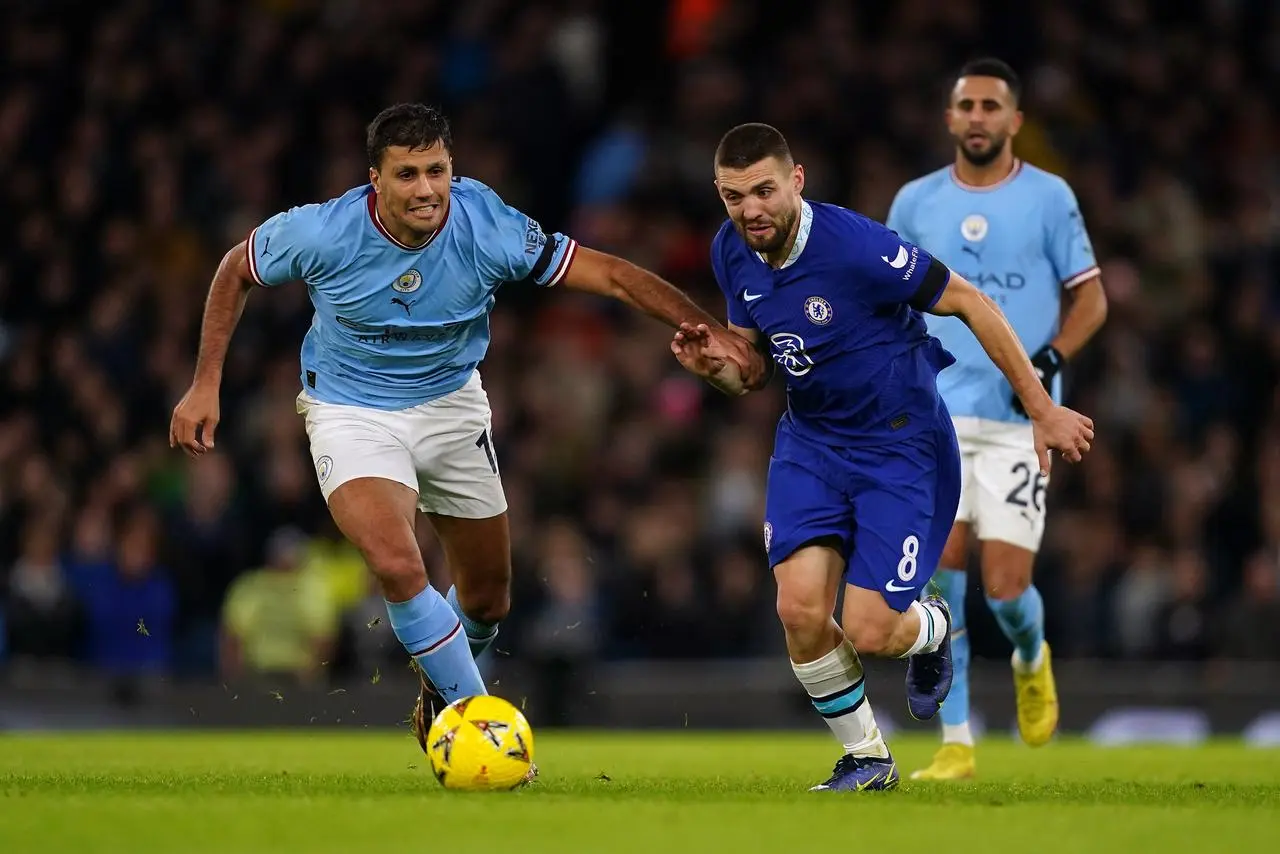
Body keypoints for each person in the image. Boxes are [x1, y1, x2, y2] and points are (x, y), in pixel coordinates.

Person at [169, 103, 764, 768]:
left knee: (487, 598)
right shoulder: (322, 231)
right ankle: (481, 732)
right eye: (407, 175)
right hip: (351, 410)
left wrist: (704, 325)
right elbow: (235, 269)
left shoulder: (489, 225)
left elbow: (614, 275)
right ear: (376, 180)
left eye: (436, 171)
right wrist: (205, 382)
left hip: (452, 406)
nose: (425, 189)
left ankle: (440, 691)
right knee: (398, 565)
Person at [670, 122, 1093, 792]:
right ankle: (868, 757)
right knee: (799, 610)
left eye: (763, 190)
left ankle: (931, 629)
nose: (750, 209)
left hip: (901, 447)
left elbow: (970, 301)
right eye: (732, 196)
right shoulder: (732, 250)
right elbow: (753, 371)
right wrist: (714, 368)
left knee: (868, 629)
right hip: (811, 442)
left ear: (796, 181)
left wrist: (1040, 408)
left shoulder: (856, 247)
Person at [886, 58, 1108, 781]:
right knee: (939, 581)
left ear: (1015, 121)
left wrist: (1048, 358)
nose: (978, 117)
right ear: (949, 119)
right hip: (936, 417)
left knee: (1007, 590)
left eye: (992, 106)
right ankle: (957, 743)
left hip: (1018, 416)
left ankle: (1031, 655)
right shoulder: (915, 203)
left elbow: (1092, 299)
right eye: (967, 105)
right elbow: (885, 299)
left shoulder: (1050, 198)